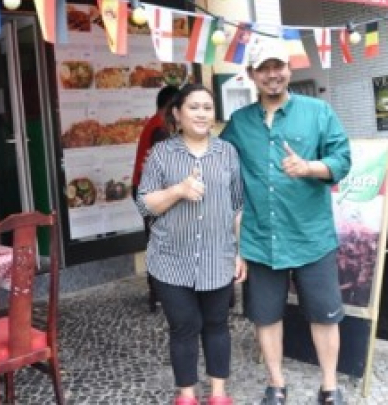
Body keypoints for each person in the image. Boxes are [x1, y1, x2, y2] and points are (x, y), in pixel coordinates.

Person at [219, 37, 351, 405]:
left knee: (324, 315)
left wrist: (310, 167)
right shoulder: (239, 123)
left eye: (278, 66)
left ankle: (329, 386)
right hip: (261, 239)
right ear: (251, 75)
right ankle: (276, 385)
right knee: (265, 316)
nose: (272, 75)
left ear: (289, 69)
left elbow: (342, 158)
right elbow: (221, 167)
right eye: (263, 68)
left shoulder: (318, 112)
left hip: (311, 236)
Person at [135, 84, 246, 405]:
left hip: (218, 257)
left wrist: (241, 252)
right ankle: (186, 396)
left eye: (207, 108)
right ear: (177, 114)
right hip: (171, 260)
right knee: (184, 327)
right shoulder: (161, 154)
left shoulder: (227, 152)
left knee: (216, 325)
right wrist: (178, 191)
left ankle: (218, 394)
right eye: (194, 107)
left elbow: (237, 206)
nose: (201, 114)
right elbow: (145, 204)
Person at [132, 84, 179, 311]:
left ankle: (159, 292)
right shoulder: (160, 127)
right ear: (171, 106)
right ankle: (159, 293)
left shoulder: (156, 123)